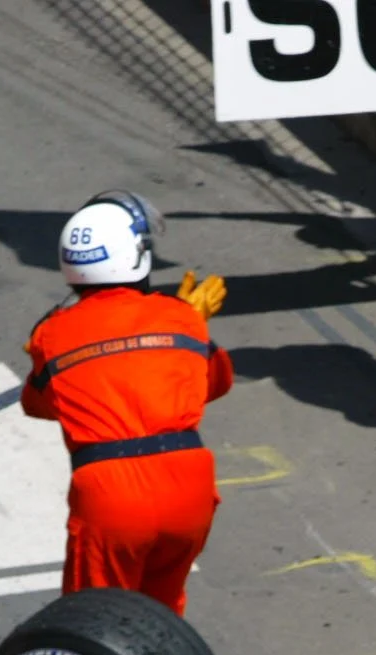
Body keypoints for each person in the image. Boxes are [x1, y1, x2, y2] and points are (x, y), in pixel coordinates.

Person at [23, 192, 233, 616]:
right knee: (161, 622)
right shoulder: (183, 317)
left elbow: (37, 404)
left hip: (111, 495)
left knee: (94, 625)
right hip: (188, 488)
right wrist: (189, 328)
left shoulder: (51, 334)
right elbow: (216, 383)